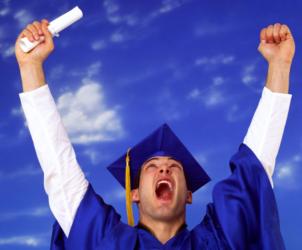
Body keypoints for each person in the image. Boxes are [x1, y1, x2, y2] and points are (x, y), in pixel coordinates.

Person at [15, 19, 295, 249]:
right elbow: (60, 170)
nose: (165, 170)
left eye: (174, 167)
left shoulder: (218, 241)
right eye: (152, 167)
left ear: (188, 194)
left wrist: (279, 67)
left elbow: (254, 170)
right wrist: (31, 68)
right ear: (134, 193)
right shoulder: (107, 241)